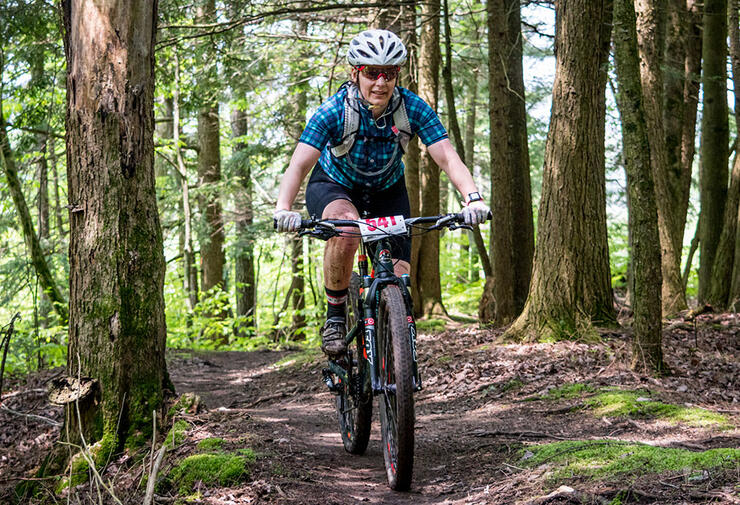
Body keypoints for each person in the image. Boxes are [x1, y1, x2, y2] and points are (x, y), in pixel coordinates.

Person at [274, 29, 489, 356]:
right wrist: (283, 207)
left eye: (389, 74)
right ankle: (334, 317)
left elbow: (445, 154)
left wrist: (473, 197)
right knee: (346, 229)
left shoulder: (412, 108)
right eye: (372, 73)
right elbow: (299, 165)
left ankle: (395, 354)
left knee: (399, 280)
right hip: (335, 186)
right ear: (356, 73)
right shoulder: (333, 111)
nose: (380, 82)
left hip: (388, 190)